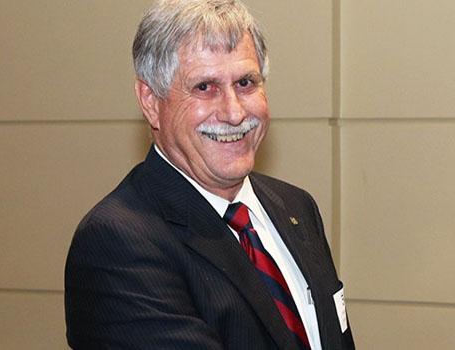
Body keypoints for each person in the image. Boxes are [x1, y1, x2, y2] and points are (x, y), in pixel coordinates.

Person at [64, 1, 354, 349]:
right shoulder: (117, 242)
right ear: (150, 101)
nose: (234, 112)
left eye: (246, 82)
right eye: (205, 87)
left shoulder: (296, 207)